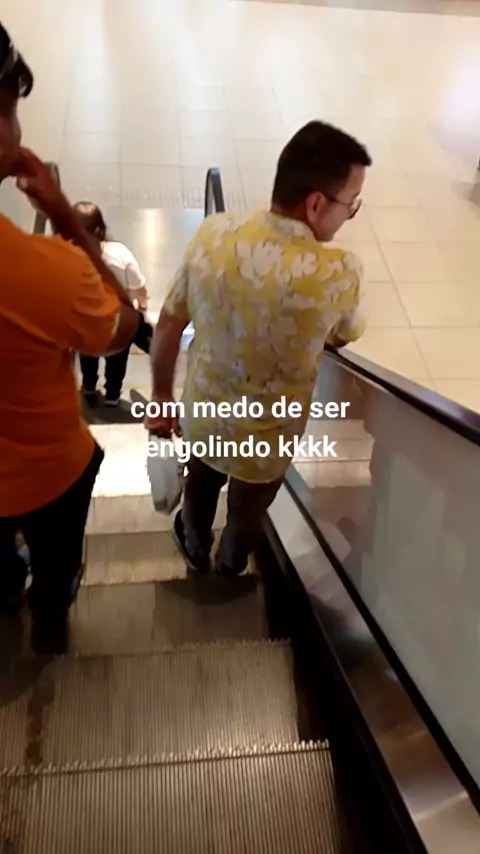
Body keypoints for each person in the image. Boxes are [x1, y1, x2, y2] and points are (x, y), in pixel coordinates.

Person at [148, 120, 371, 576]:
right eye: (351, 205)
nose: (349, 215)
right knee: (249, 509)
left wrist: (161, 396)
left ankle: (194, 542)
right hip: (268, 441)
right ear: (316, 203)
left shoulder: (214, 234)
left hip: (203, 418)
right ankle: (232, 561)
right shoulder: (339, 272)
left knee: (199, 486)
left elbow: (169, 322)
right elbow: (343, 334)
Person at [0, 23, 140, 646]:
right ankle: (50, 624)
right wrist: (64, 217)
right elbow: (122, 327)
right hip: (48, 474)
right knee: (56, 562)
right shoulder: (45, 271)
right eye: (12, 113)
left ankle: (6, 590)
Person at [74, 201, 150, 407]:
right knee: (117, 362)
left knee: (88, 359)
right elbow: (139, 287)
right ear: (101, 228)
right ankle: (113, 395)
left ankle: (89, 388)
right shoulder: (120, 253)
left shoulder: (69, 256)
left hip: (87, 325)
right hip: (118, 326)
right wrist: (142, 304)